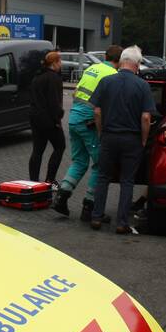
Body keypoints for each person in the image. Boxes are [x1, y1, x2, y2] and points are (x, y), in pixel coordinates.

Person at [88, 45, 156, 234]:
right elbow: (146, 118)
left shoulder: (106, 81)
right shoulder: (142, 86)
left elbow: (97, 111)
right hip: (131, 139)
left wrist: (101, 133)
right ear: (137, 64)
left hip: (109, 136)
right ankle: (122, 222)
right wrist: (143, 140)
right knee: (127, 181)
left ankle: (96, 216)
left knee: (103, 177)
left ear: (122, 61)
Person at [52, 45, 122, 221]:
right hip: (88, 122)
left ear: (105, 56)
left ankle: (61, 197)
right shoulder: (113, 75)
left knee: (80, 161)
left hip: (74, 118)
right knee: (100, 164)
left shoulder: (91, 68)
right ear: (119, 61)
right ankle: (89, 207)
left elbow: (76, 93)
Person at [27, 50, 65, 184]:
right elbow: (54, 102)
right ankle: (50, 180)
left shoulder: (37, 76)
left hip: (35, 117)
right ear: (54, 63)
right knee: (60, 146)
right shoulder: (54, 78)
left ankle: (33, 181)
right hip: (48, 119)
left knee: (37, 150)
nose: (61, 64)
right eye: (59, 61)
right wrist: (58, 119)